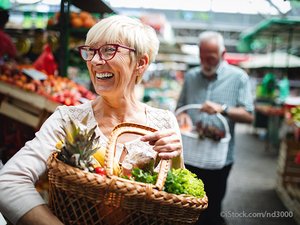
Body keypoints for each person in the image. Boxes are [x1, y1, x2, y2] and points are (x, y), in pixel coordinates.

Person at [0, 15, 184, 225]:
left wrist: (176, 159)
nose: (95, 61)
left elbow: (178, 200)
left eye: (108, 50)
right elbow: (9, 181)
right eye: (91, 51)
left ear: (140, 63)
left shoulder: (164, 123)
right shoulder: (67, 120)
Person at [176, 31, 254, 225]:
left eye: (210, 57)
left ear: (223, 54)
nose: (205, 62)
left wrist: (223, 109)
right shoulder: (191, 76)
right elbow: (180, 108)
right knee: (187, 204)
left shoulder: (239, 78)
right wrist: (182, 115)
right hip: (191, 154)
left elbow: (249, 116)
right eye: (202, 57)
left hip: (220, 158)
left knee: (212, 207)